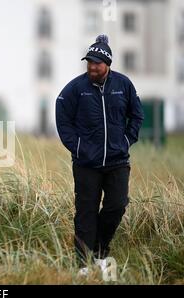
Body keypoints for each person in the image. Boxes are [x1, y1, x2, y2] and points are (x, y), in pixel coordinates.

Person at [55, 35, 144, 274]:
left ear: (108, 64)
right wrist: (77, 147)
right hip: (86, 163)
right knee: (86, 212)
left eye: (97, 63)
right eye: (89, 62)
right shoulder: (75, 88)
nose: (92, 67)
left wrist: (126, 140)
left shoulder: (124, 85)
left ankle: (100, 251)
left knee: (117, 205)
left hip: (117, 160)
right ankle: (83, 264)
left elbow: (137, 115)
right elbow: (62, 117)